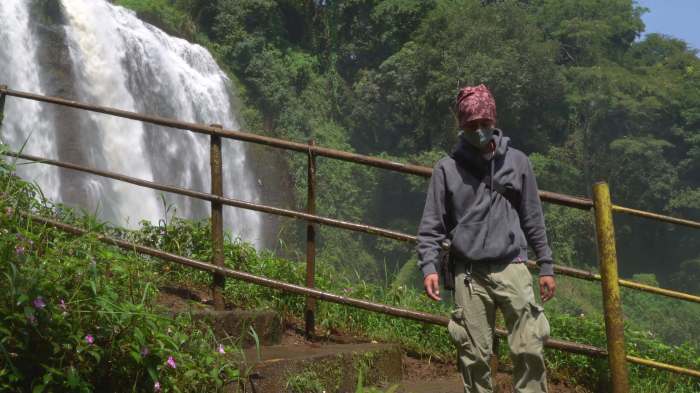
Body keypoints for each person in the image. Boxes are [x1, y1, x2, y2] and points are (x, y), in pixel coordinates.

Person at [416, 84, 556, 393]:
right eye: (471, 125)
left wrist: (546, 265)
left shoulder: (518, 162)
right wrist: (429, 268)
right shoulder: (446, 169)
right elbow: (431, 226)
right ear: (461, 126)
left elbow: (533, 218)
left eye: (484, 123)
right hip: (469, 274)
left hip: (512, 266)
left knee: (529, 349)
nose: (479, 131)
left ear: (494, 121)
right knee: (474, 356)